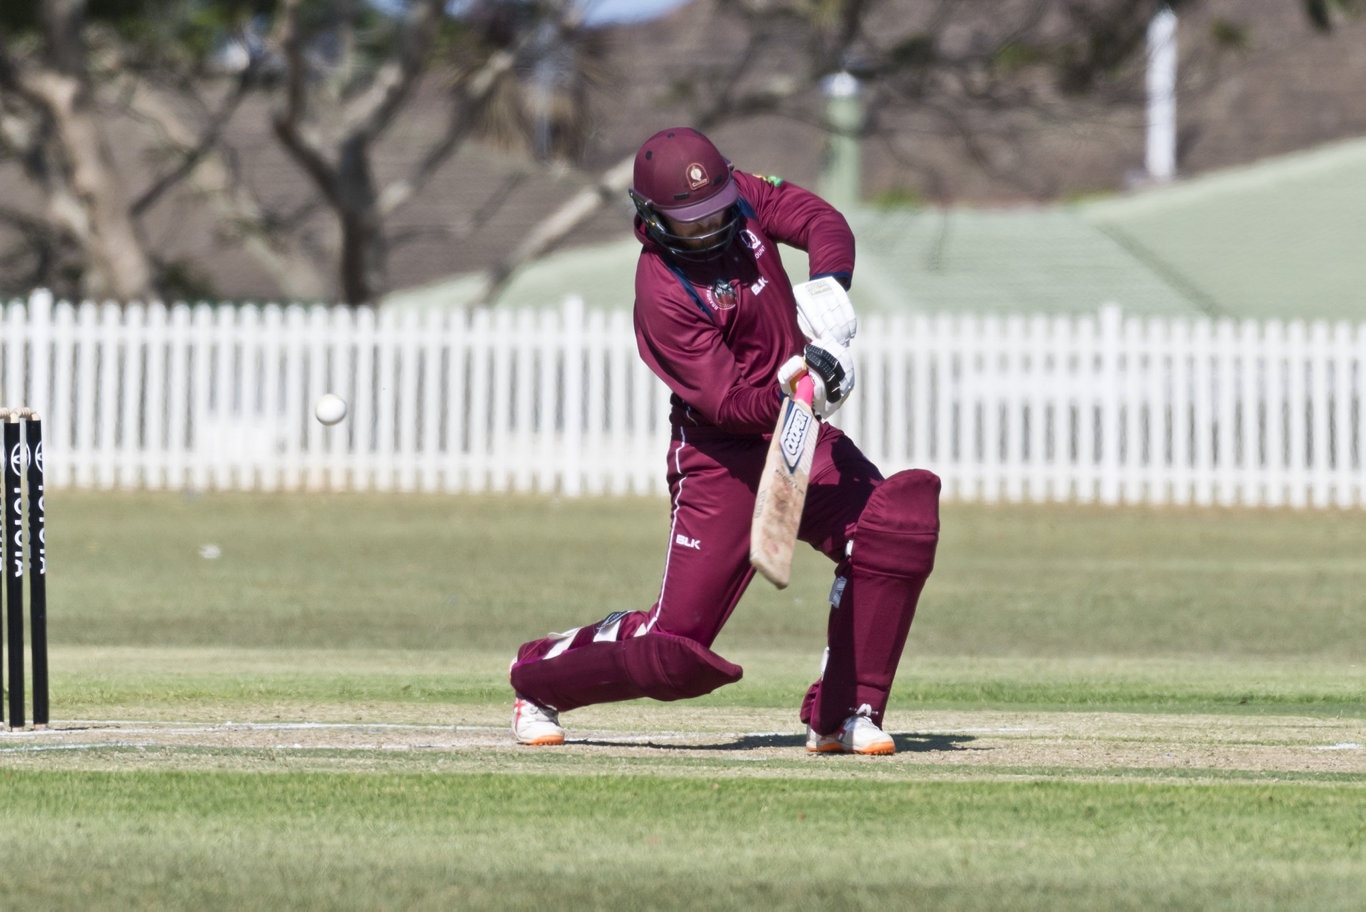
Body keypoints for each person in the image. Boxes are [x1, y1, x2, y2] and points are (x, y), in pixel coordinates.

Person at [509, 126, 940, 754]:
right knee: (672, 650)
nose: (708, 229)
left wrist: (828, 287)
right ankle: (537, 676)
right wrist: (802, 381)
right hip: (720, 458)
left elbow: (822, 220)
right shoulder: (661, 291)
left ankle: (846, 714)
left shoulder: (741, 197)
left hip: (799, 435)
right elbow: (729, 404)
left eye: (714, 213)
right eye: (688, 221)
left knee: (889, 533)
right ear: (652, 218)